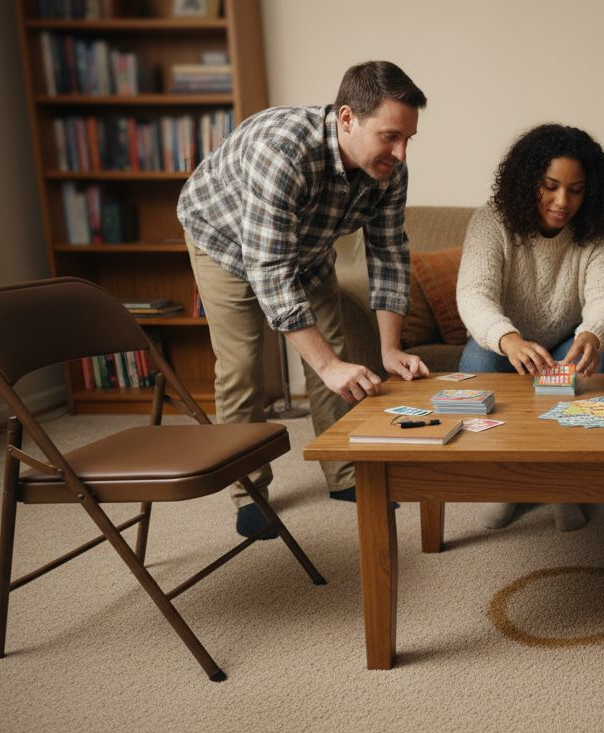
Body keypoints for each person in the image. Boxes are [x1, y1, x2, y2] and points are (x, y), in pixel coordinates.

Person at [177, 61, 430, 539]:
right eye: (390, 136)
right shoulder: (282, 151)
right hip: (224, 240)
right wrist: (327, 365)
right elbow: (270, 270)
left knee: (335, 351)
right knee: (242, 364)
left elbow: (389, 254)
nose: (400, 153)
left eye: (408, 139)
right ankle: (249, 493)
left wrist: (389, 349)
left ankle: (343, 474)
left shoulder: (388, 170)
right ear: (348, 118)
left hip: (308, 247)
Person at [456, 123, 604, 532]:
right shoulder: (490, 221)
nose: (562, 202)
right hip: (505, 340)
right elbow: (474, 294)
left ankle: (564, 484)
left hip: (569, 338)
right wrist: (509, 339)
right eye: (549, 187)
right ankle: (506, 484)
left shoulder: (601, 231)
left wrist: (593, 333)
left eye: (576, 190)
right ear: (527, 181)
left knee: (598, 364)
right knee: (477, 365)